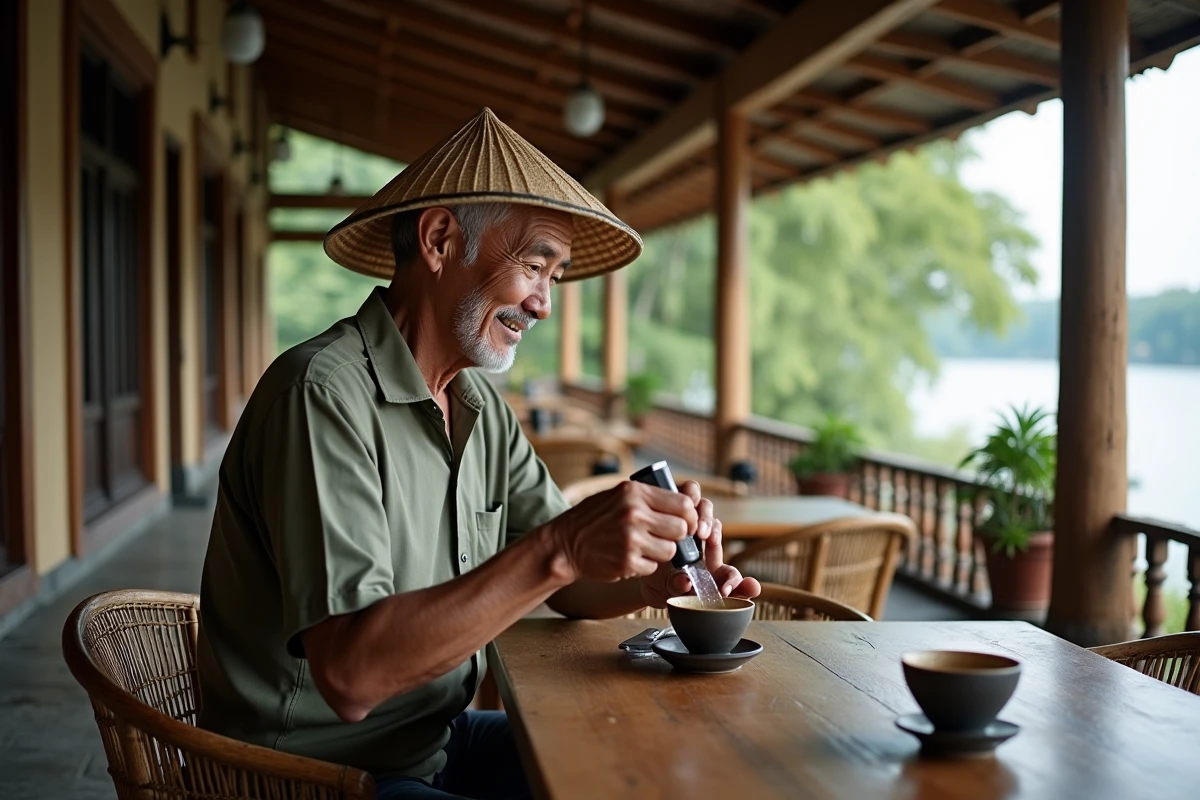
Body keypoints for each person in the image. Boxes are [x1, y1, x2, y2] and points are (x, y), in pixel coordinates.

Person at [196, 108, 760, 800]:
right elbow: (351, 677)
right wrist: (560, 547)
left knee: (635, 771)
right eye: (534, 267)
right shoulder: (322, 394)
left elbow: (568, 578)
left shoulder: (478, 407)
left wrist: (648, 582)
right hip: (308, 773)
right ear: (438, 239)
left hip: (428, 738)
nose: (544, 305)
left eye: (555, 278)